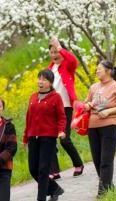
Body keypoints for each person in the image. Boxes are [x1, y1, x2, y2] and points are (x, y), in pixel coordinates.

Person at [81, 59, 116, 197]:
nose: (96, 71)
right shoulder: (93, 87)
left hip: (110, 125)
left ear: (108, 71)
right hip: (92, 126)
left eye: (99, 69)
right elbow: (86, 102)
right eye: (96, 69)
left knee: (106, 160)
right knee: (97, 159)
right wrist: (87, 105)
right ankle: (108, 186)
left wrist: (108, 111)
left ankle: (103, 193)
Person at [23, 69, 66, 201]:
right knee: (33, 169)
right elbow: (28, 118)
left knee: (43, 169)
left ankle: (41, 199)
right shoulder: (33, 97)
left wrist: (61, 131)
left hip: (48, 137)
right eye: (39, 78)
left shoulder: (56, 97)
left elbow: (61, 117)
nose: (40, 82)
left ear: (50, 82)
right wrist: (25, 138)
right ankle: (55, 188)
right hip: (33, 136)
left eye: (44, 79)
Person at [47, 38, 85, 177]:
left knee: (64, 139)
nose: (55, 54)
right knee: (49, 140)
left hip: (66, 107)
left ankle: (78, 163)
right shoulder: (49, 69)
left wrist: (60, 47)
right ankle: (54, 171)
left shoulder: (68, 65)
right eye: (52, 52)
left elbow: (74, 60)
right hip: (51, 109)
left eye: (57, 51)